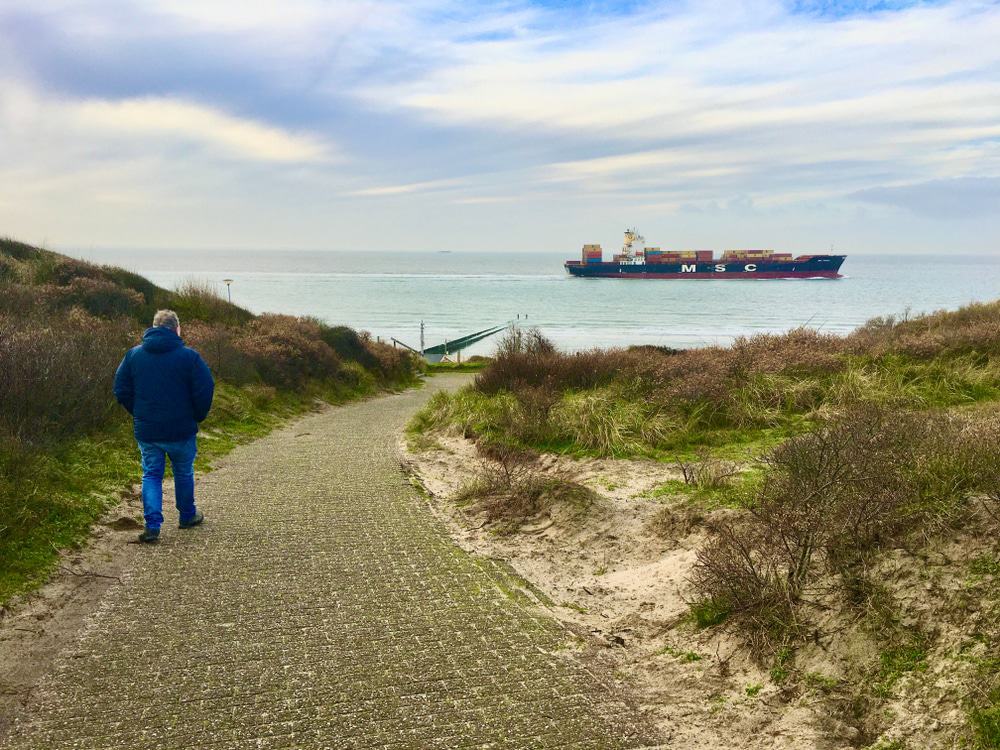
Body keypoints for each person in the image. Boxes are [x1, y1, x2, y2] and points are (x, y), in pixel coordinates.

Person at [113, 309, 215, 544]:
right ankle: (187, 515)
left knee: (151, 474)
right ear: (176, 329)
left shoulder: (133, 355)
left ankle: (152, 526)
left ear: (154, 327)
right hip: (182, 428)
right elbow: (205, 388)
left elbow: (121, 389)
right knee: (183, 471)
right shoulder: (190, 357)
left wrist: (139, 412)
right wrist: (198, 415)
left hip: (148, 430)